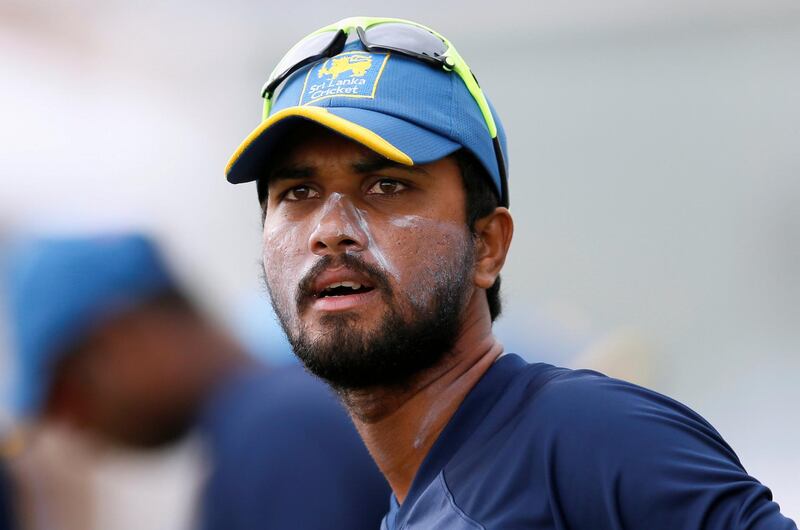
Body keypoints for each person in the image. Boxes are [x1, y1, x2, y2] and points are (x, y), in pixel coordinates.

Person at [224, 16, 797, 529]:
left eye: (386, 185)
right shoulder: (418, 506)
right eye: (298, 192)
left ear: (487, 246)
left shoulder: (588, 439)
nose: (330, 228)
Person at [2, 233, 387, 530]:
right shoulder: (284, 406)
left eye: (68, 396)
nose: (75, 426)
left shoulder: (277, 433)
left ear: (124, 339)